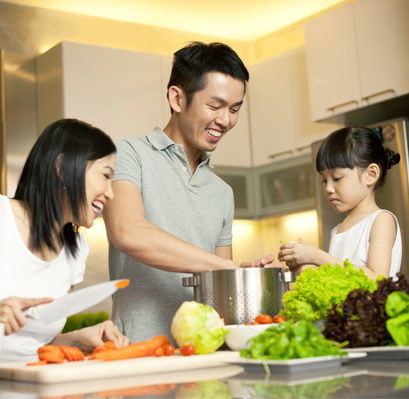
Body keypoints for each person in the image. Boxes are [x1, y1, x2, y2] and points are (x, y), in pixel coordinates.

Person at [102, 42, 279, 344]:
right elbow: (127, 232)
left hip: (202, 354)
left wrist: (240, 274)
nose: (225, 120)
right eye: (215, 106)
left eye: (234, 109)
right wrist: (224, 265)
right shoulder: (127, 154)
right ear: (177, 98)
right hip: (136, 350)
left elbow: (219, 284)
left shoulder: (222, 192)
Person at [0, 119, 129, 362]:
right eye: (105, 175)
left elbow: (35, 344)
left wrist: (78, 339)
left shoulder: (75, 252)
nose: (110, 193)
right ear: (62, 168)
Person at [278, 126, 402, 279]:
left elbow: (377, 278)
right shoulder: (337, 231)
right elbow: (340, 278)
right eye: (324, 180)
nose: (328, 189)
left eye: (336, 178)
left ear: (371, 174)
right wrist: (307, 266)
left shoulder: (381, 220)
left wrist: (317, 256)